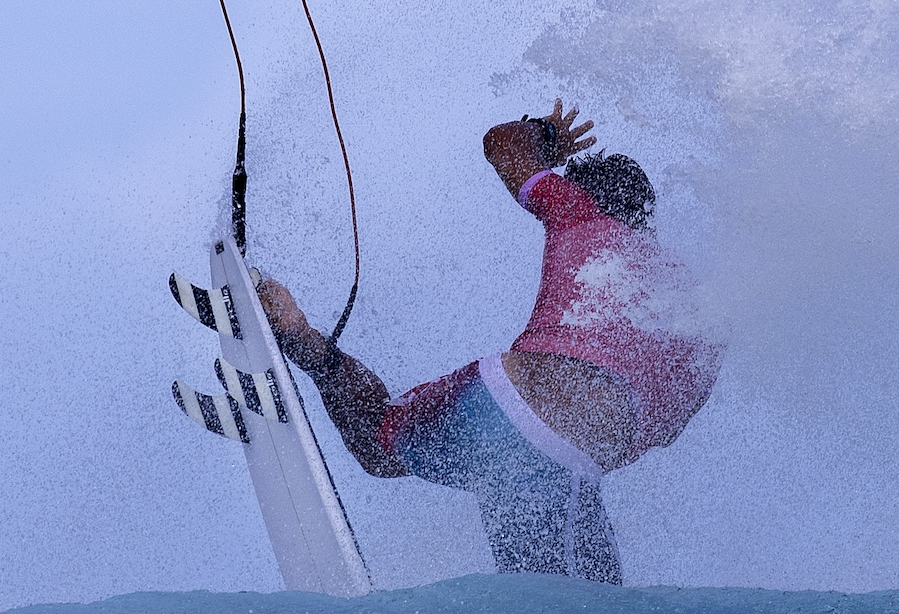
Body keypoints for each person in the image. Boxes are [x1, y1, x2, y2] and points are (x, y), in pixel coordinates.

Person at [259, 100, 721, 584]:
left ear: (584, 192)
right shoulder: (697, 312)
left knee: (378, 441)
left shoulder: (579, 214)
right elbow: (663, 428)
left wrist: (548, 137)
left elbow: (501, 143)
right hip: (560, 454)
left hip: (497, 400)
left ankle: (301, 336)